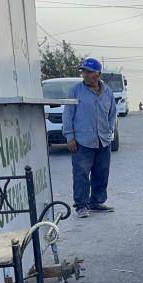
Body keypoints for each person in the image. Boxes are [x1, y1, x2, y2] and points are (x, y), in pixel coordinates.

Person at [62, 58, 116, 218]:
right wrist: (69, 136)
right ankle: (81, 205)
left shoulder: (108, 91)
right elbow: (68, 113)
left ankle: (96, 202)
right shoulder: (75, 91)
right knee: (81, 174)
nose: (85, 75)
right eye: (84, 72)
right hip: (82, 141)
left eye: (89, 72)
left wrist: (109, 130)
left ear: (97, 74)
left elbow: (112, 113)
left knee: (101, 173)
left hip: (103, 139)